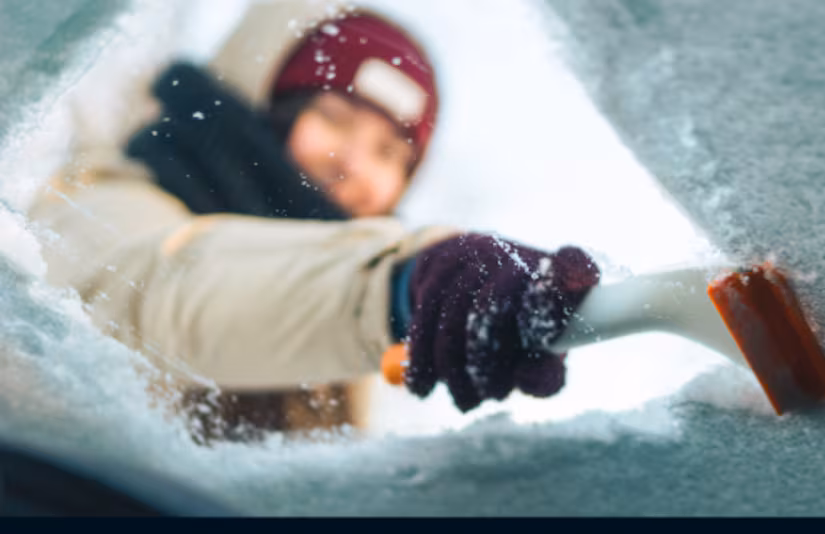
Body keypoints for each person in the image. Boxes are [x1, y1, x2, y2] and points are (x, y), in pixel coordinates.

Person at [28, 1, 599, 439]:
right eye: (332, 117)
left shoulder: (356, 356)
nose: (354, 164)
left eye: (390, 154)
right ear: (261, 105)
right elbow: (168, 293)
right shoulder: (99, 201)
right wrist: (401, 286)